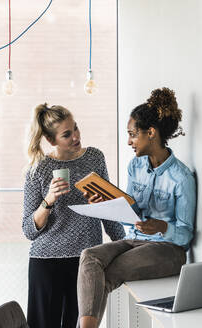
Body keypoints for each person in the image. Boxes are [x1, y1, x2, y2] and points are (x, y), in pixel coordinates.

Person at [77, 87, 196, 328]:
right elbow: (131, 214)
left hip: (168, 249)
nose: (129, 141)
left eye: (132, 134)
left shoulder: (181, 177)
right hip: (135, 239)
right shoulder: (136, 166)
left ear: (150, 133)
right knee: (89, 257)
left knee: (111, 271)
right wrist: (109, 205)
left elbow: (185, 235)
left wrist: (161, 226)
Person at [22, 103, 126, 328]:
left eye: (76, 128)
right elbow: (29, 230)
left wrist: (126, 246)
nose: (76, 137)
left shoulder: (95, 158)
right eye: (67, 134)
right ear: (51, 140)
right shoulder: (38, 168)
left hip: (87, 261)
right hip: (46, 263)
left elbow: (109, 215)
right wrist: (48, 200)